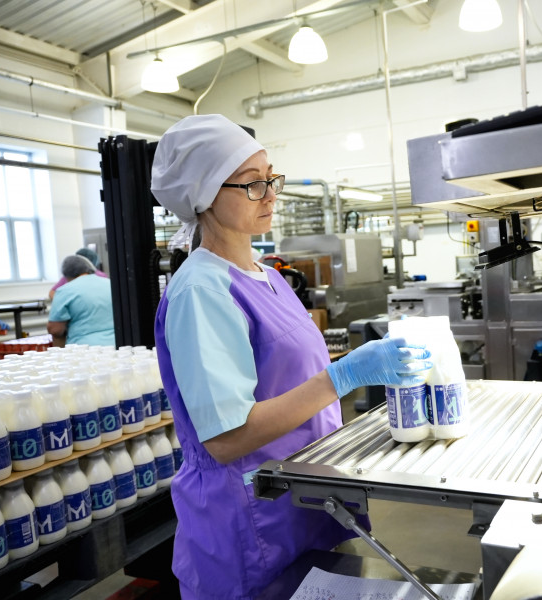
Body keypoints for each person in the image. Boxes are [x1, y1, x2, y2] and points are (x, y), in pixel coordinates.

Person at [151, 114, 431, 600]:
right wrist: (345, 375)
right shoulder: (202, 291)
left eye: (270, 178)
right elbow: (226, 438)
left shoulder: (269, 277)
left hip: (306, 503)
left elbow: (289, 376)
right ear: (205, 194)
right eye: (251, 184)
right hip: (250, 521)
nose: (270, 195)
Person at [46, 255, 116, 347]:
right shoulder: (110, 283)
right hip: (118, 345)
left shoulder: (64, 291)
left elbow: (55, 330)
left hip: (84, 348)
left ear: (66, 276)